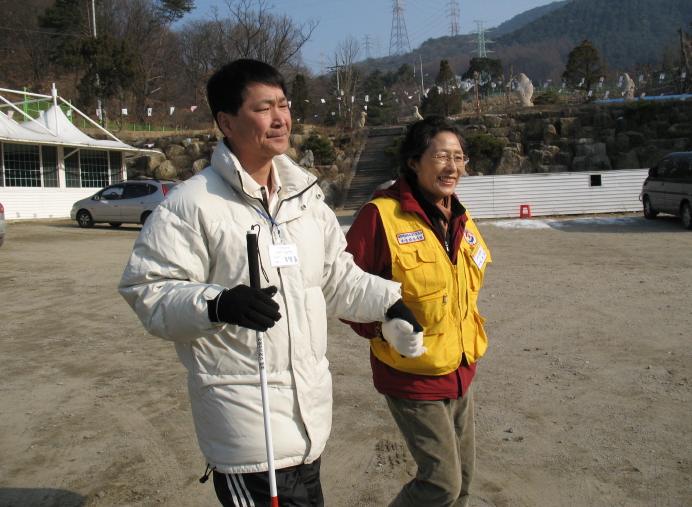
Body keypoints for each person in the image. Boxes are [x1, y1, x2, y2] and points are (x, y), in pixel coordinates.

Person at [118, 59, 423, 507]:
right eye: (264, 107)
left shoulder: (306, 198)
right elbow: (148, 290)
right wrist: (216, 304)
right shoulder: (191, 204)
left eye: (284, 104)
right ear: (226, 121)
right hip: (248, 429)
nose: (281, 118)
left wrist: (388, 303)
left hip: (308, 422)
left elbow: (335, 274)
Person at [343, 115, 491, 507]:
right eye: (442, 155)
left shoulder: (459, 216)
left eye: (459, 157)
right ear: (413, 161)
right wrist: (380, 327)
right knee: (441, 484)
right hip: (412, 374)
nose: (453, 166)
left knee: (463, 482)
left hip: (460, 367)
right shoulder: (381, 216)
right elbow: (342, 289)